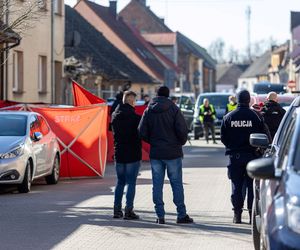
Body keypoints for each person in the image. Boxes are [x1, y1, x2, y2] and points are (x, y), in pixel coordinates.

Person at [138, 86, 193, 224]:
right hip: (173, 152)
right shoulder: (174, 109)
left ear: (156, 94)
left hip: (156, 152)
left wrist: (153, 141)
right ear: (168, 95)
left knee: (157, 184)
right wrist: (180, 142)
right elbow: (182, 129)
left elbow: (141, 131)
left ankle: (160, 215)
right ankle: (181, 215)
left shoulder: (149, 109)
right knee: (176, 183)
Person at [221, 90, 268, 224]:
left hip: (235, 157)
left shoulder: (228, 117)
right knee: (252, 186)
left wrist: (233, 146)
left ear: (237, 100)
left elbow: (223, 138)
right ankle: (252, 216)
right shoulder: (256, 116)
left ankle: (237, 215)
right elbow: (264, 135)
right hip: (252, 156)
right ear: (249, 101)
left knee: (236, 186)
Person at [111, 91, 141, 220]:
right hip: (133, 153)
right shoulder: (135, 117)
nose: (135, 103)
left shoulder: (114, 116)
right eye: (134, 100)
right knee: (131, 183)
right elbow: (141, 134)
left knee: (120, 182)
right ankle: (129, 211)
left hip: (119, 153)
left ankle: (117, 210)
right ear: (131, 101)